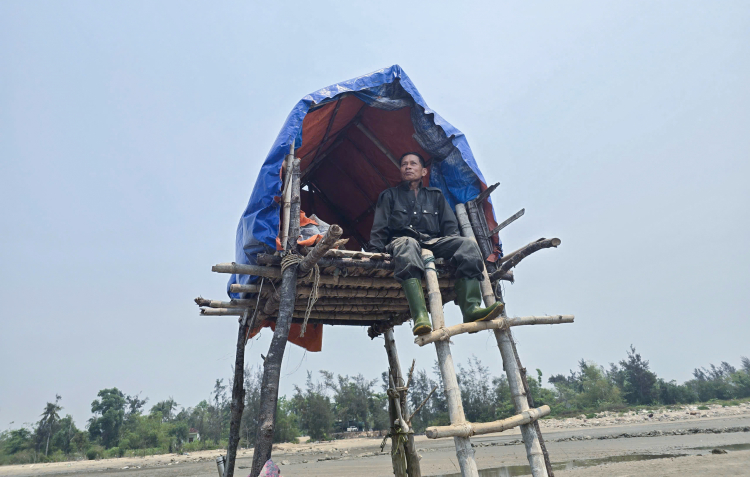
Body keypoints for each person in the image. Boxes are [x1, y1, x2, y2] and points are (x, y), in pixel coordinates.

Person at [368, 152, 503, 336]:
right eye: (404, 164)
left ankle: (471, 308)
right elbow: (379, 228)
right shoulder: (389, 196)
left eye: (413, 163)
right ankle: (420, 316)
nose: (408, 167)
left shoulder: (436, 195)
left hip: (432, 242)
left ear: (424, 171)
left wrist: (452, 250)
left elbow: (450, 227)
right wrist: (374, 254)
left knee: (468, 245)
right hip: (402, 242)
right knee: (407, 244)